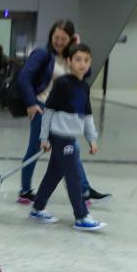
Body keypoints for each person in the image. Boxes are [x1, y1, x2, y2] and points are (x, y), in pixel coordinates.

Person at [16, 19, 109, 205]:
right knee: (35, 148)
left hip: (62, 112)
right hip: (43, 108)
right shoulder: (43, 54)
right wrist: (31, 104)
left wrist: (76, 48)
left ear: (70, 39)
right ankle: (25, 190)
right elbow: (24, 77)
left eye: (64, 39)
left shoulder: (71, 57)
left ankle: (84, 190)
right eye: (56, 37)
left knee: (71, 148)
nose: (58, 42)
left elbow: (85, 74)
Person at [28, 43, 106, 231]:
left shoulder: (84, 86)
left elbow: (87, 115)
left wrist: (92, 139)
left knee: (53, 175)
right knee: (74, 177)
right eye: (78, 59)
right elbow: (48, 111)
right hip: (60, 138)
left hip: (71, 138)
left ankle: (37, 207)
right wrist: (44, 138)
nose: (82, 64)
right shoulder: (62, 84)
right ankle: (81, 216)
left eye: (86, 60)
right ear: (70, 61)